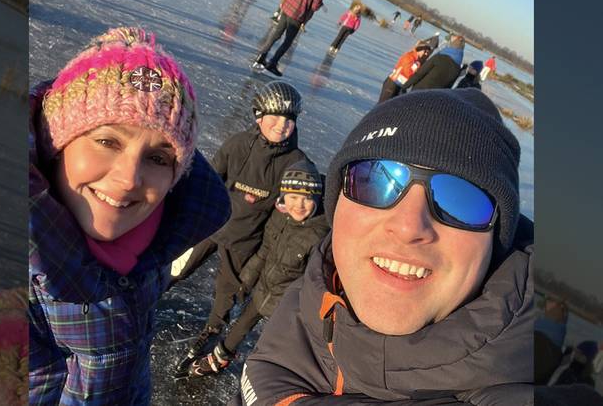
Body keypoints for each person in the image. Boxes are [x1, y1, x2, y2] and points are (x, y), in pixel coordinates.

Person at [236, 89, 534, 404]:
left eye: (461, 200)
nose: (408, 227)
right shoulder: (308, 299)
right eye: (376, 181)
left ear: (494, 242)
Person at [28, 27, 231, 404]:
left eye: (157, 158)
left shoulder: (155, 240)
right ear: (55, 143)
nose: (128, 180)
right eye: (107, 141)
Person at [169, 81, 307, 370]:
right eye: (275, 117)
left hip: (245, 240)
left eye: (289, 120)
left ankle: (211, 332)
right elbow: (210, 181)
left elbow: (286, 216)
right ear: (258, 116)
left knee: (226, 292)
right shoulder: (238, 144)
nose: (282, 125)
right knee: (177, 267)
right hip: (213, 224)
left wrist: (263, 258)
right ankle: (149, 294)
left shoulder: (294, 163)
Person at [186, 160, 330, 377]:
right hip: (265, 287)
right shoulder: (280, 216)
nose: (299, 205)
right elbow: (265, 251)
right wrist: (245, 281)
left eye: (307, 198)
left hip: (289, 303)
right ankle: (220, 357)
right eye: (293, 197)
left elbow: (315, 279)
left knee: (274, 344)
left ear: (317, 198)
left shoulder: (320, 233)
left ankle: (266, 378)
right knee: (242, 325)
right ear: (283, 197)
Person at [252, 0, 333, 77]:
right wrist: (319, 2)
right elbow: (314, 7)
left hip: (286, 8)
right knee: (287, 42)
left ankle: (261, 57)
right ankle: (273, 63)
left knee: (276, 35)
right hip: (297, 16)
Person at [400, 34, 465, 91]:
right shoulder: (457, 68)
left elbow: (420, 73)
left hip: (419, 91)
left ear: (452, 44)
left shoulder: (439, 57)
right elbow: (448, 88)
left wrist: (405, 86)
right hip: (433, 98)